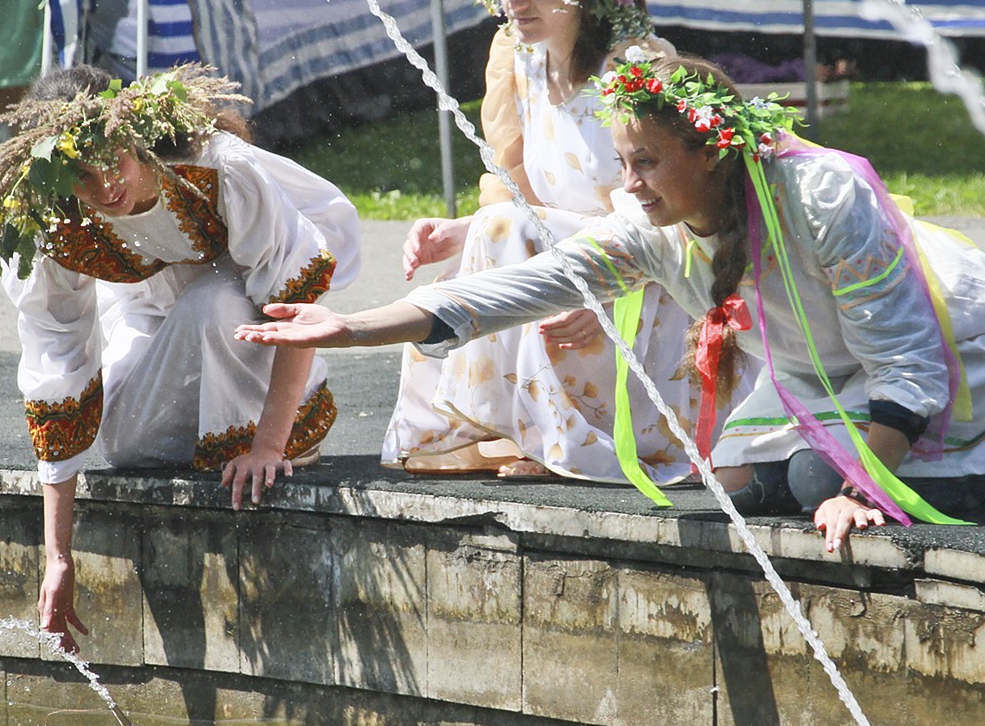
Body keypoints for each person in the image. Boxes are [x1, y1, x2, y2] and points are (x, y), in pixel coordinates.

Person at [236, 50, 985, 552]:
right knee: (736, 482)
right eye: (623, 163)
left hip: (949, 355)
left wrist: (861, 492)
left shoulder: (822, 199)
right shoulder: (651, 226)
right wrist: (347, 326)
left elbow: (910, 366)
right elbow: (515, 289)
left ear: (712, 151)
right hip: (827, 380)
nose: (627, 185)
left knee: (819, 482)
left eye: (647, 163)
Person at [0, 64, 360, 651]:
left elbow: (295, 302)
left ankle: (269, 437)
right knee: (125, 444)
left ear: (134, 133)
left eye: (112, 159)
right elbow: (55, 359)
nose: (105, 185)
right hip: (146, 314)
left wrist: (267, 442)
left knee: (212, 303)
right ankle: (210, 434)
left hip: (250, 325)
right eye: (81, 176)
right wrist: (57, 557)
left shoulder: (219, 168)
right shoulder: (50, 219)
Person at [382, 0, 710, 488]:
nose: (515, 0)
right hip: (570, 263)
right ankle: (504, 428)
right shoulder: (522, 59)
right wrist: (458, 232)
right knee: (488, 240)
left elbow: (674, 214)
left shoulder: (633, 72)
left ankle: (559, 435)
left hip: (651, 279)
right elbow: (523, 190)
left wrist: (611, 286)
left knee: (509, 234)